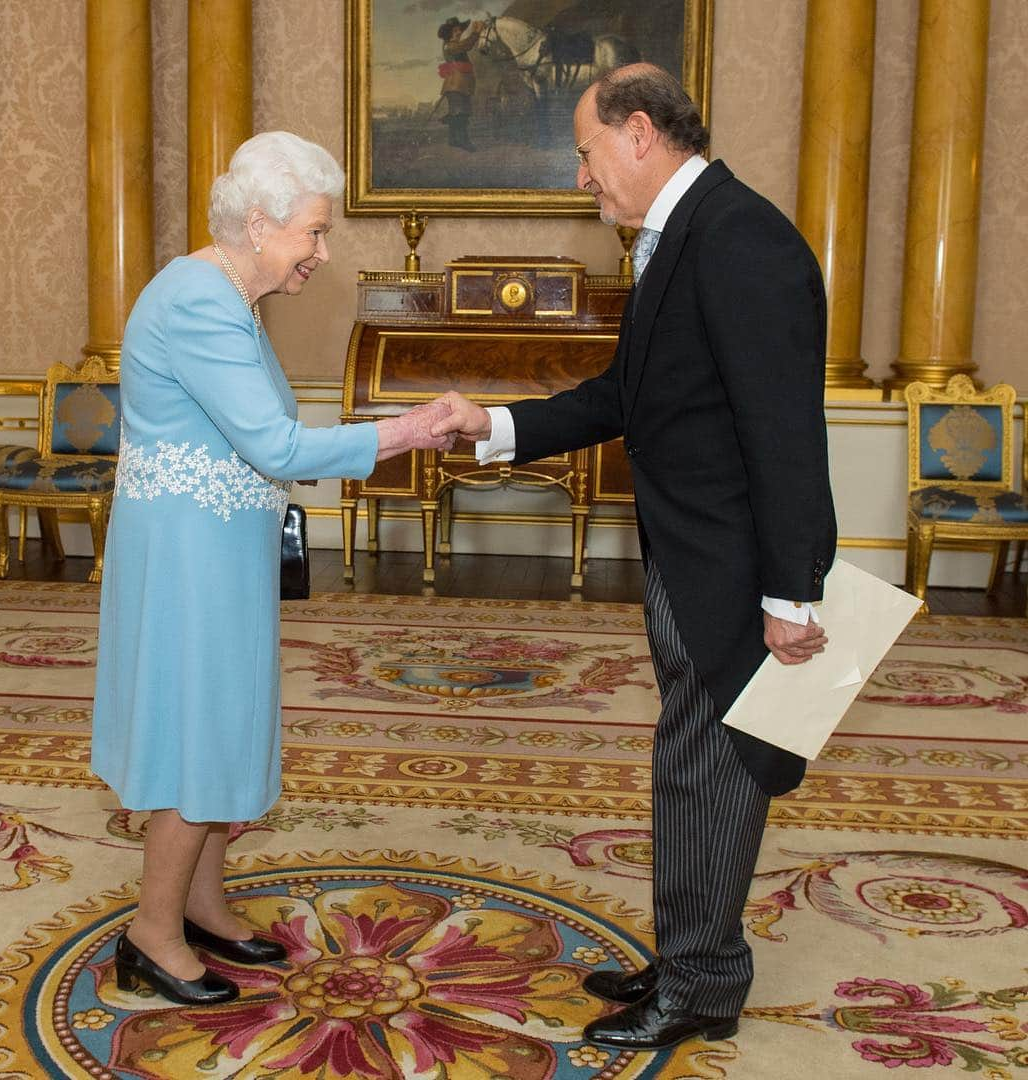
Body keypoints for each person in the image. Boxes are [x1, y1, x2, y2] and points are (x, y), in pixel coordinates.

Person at [430, 64, 837, 1054]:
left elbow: (784, 433)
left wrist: (792, 595)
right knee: (691, 759)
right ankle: (690, 954)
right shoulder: (687, 237)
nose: (582, 177)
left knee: (713, 768)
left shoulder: (742, 243)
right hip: (692, 554)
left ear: (641, 131)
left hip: (731, 568)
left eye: (585, 150)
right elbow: (625, 394)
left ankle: (702, 985)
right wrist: (495, 425)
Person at [91, 131, 452, 1007]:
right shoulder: (199, 303)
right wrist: (403, 429)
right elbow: (275, 442)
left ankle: (203, 905)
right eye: (313, 235)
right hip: (188, 557)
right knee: (194, 727)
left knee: (222, 718)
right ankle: (152, 933)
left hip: (216, 547)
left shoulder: (223, 293)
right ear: (258, 224)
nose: (321, 256)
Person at [437, 16, 483, 151]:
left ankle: (453, 140)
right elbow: (467, 45)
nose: (459, 32)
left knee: (457, 112)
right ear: (449, 33)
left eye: (459, 30)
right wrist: (476, 33)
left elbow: (464, 45)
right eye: (455, 30)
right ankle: (464, 141)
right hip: (455, 85)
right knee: (460, 113)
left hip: (460, 85)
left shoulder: (454, 45)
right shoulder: (450, 46)